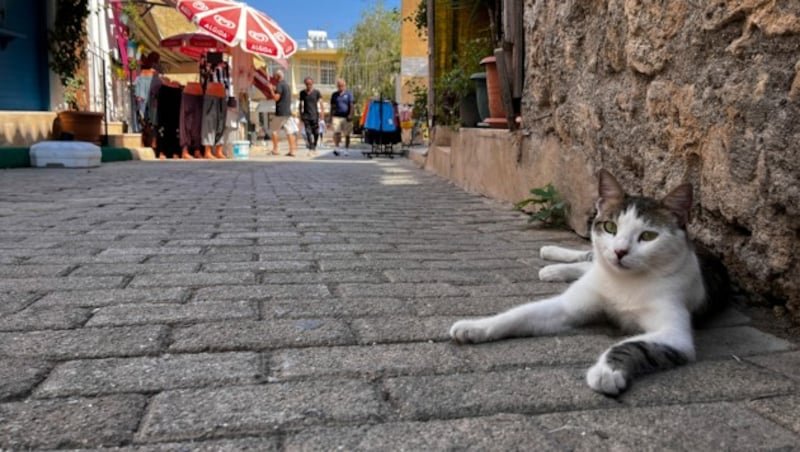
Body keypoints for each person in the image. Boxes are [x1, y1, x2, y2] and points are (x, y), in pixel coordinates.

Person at [265, 69, 297, 157]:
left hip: (280, 112)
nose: (273, 78)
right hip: (287, 112)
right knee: (289, 132)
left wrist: (271, 90)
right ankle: (292, 151)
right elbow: (282, 94)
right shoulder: (286, 85)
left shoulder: (279, 85)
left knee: (273, 130)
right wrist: (275, 89)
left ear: (277, 77)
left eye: (274, 76)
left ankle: (275, 149)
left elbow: (276, 98)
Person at [298, 77, 324, 156]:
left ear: (312, 84)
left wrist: (322, 115)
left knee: (316, 133)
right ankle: (311, 148)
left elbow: (321, 104)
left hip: (315, 116)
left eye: (310, 84)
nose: (308, 85)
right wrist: (300, 114)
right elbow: (300, 104)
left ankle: (314, 146)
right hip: (306, 116)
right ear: (305, 84)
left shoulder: (317, 92)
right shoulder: (302, 93)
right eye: (307, 84)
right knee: (308, 132)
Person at [330, 78, 354, 156]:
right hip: (337, 116)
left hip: (346, 117)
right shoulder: (334, 95)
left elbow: (351, 105)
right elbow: (332, 107)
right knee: (337, 133)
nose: (340, 87)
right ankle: (337, 148)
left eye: (342, 85)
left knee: (347, 134)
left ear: (344, 85)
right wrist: (331, 117)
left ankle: (346, 149)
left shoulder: (349, 94)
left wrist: (351, 115)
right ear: (337, 86)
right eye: (339, 85)